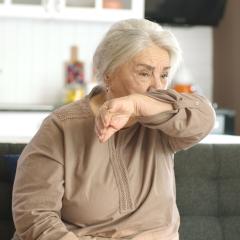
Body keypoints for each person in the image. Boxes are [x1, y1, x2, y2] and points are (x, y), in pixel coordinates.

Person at [12, 19, 215, 240]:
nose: (157, 87)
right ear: (109, 73)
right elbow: (35, 216)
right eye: (144, 73)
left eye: (164, 75)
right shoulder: (61, 126)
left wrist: (137, 104)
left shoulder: (164, 124)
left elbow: (204, 117)